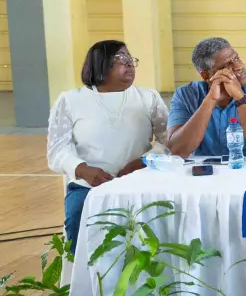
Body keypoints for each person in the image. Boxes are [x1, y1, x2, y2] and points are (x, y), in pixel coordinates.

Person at [46, 41, 169, 251]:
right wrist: (82, 169)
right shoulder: (70, 100)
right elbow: (57, 149)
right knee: (78, 223)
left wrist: (143, 162)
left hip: (140, 181)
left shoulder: (148, 98)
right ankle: (82, 270)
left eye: (131, 59)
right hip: (88, 186)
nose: (129, 64)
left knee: (156, 231)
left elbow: (168, 141)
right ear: (100, 63)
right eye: (121, 58)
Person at [168, 37, 246, 159]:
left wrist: (240, 98)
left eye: (237, 58)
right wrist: (210, 100)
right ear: (206, 75)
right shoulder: (185, 95)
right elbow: (178, 151)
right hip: (209, 168)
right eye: (227, 65)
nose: (238, 66)